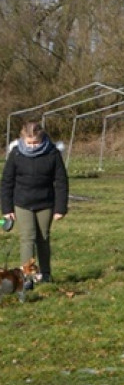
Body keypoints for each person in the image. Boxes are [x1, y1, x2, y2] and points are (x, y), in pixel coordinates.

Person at [1, 121, 68, 284]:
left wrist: (60, 208)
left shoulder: (53, 154)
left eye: (35, 143)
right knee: (27, 237)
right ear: (23, 139)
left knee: (43, 238)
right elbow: (7, 182)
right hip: (22, 203)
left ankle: (45, 274)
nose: (32, 147)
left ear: (42, 138)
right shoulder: (16, 154)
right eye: (29, 143)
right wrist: (7, 208)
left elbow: (61, 182)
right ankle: (27, 276)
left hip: (45, 203)